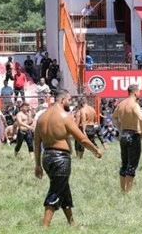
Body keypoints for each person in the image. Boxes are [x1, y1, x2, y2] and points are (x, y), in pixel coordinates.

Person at [34, 89, 101, 228]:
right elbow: (82, 139)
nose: (70, 103)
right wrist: (95, 150)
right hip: (60, 159)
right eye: (69, 100)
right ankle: (44, 226)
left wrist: (38, 164)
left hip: (46, 157)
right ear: (63, 100)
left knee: (63, 189)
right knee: (56, 191)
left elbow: (36, 143)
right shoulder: (65, 116)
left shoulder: (41, 118)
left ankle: (72, 223)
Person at [111, 84, 142, 192]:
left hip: (124, 134)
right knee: (132, 165)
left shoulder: (121, 104)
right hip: (133, 134)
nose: (140, 93)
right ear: (135, 93)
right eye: (139, 91)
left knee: (124, 163)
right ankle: (128, 192)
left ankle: (123, 190)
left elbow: (114, 117)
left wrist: (120, 129)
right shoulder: (134, 105)